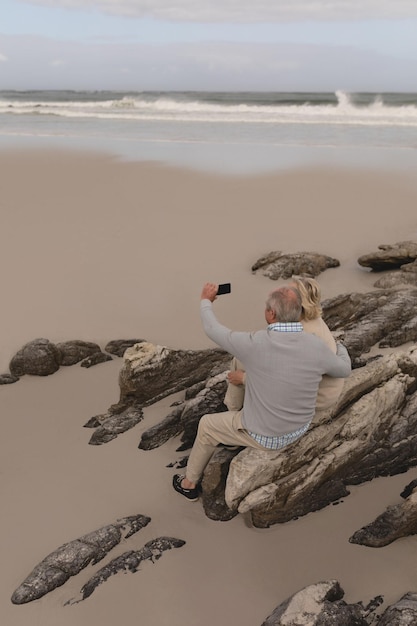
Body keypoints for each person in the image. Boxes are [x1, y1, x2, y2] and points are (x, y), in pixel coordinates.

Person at [172, 282, 351, 501]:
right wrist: (340, 347)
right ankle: (233, 422)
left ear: (271, 313)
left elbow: (212, 329)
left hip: (267, 435)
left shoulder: (255, 343)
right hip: (300, 426)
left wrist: (206, 301)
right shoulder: (315, 345)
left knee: (206, 425)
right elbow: (343, 369)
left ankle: (189, 484)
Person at [224, 276, 344, 414]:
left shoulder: (300, 337)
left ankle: (233, 411)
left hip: (315, 400)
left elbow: (285, 381)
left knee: (241, 359)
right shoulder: (311, 318)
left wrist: (244, 379)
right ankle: (238, 406)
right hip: (326, 391)